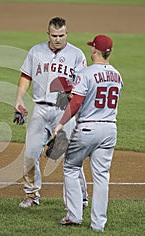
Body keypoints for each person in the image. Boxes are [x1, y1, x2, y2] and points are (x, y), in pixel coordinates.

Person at [14, 16, 88, 208]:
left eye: (61, 35)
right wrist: (19, 99)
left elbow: (82, 85)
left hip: (65, 109)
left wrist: (70, 98)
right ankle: (31, 195)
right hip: (40, 108)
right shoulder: (35, 51)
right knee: (30, 153)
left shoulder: (77, 54)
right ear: (48, 34)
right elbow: (25, 76)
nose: (58, 39)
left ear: (67, 34)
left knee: (70, 155)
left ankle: (81, 197)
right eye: (54, 35)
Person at [52, 34, 123, 232]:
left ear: (94, 51)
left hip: (88, 128)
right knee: (102, 176)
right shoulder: (117, 75)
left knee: (71, 167)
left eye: (92, 47)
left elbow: (76, 102)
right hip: (110, 128)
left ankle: (74, 216)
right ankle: (98, 224)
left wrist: (60, 123)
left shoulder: (87, 73)